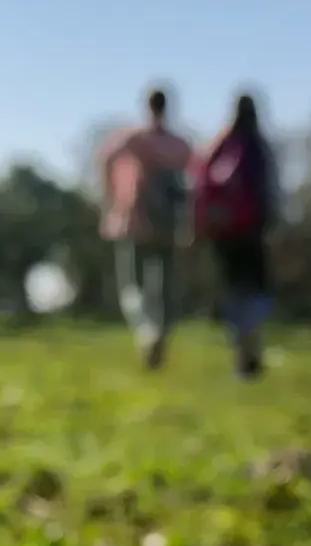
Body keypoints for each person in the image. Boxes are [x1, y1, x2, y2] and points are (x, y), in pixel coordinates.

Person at [98, 87, 193, 369]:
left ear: (147, 106)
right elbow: (191, 182)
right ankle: (161, 330)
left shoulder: (133, 139)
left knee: (132, 285)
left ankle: (147, 331)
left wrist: (112, 197)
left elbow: (105, 158)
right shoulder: (179, 144)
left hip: (137, 217)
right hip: (170, 221)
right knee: (165, 286)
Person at [192, 92, 279, 379]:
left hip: (223, 230)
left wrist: (202, 224)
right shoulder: (260, 146)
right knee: (256, 288)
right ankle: (253, 341)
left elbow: (200, 182)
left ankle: (241, 350)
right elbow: (271, 190)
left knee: (233, 290)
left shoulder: (218, 144)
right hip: (253, 230)